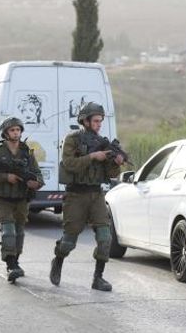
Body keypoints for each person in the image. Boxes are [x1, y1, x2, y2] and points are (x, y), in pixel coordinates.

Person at [49, 102, 123, 292]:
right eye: (96, 121)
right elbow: (69, 163)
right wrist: (92, 157)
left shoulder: (103, 142)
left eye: (101, 121)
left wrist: (116, 162)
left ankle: (98, 278)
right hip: (76, 195)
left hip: (96, 194)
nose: (99, 124)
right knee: (68, 242)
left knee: (105, 238)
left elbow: (112, 173)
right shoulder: (73, 139)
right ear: (85, 121)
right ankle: (58, 260)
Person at [0, 117, 43, 282]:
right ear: (6, 133)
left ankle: (15, 260)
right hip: (3, 199)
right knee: (8, 231)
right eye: (12, 130)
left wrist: (35, 183)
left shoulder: (27, 153)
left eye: (18, 130)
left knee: (19, 232)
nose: (16, 133)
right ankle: (10, 265)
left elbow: (38, 175)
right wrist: (5, 177)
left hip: (22, 199)